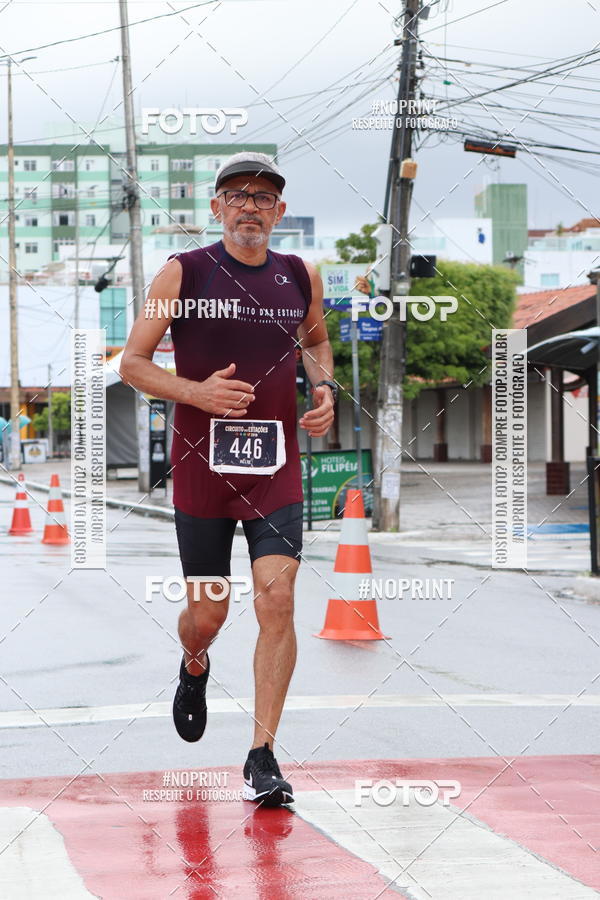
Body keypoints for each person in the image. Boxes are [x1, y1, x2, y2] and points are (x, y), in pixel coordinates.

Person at [120, 152, 336, 807]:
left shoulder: (301, 274)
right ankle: (194, 663)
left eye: (265, 197)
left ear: (279, 211)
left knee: (278, 598)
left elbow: (317, 342)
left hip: (275, 468)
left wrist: (324, 386)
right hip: (203, 470)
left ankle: (262, 755)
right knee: (209, 612)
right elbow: (132, 362)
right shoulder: (181, 273)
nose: (251, 206)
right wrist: (197, 393)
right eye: (238, 195)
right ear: (216, 208)